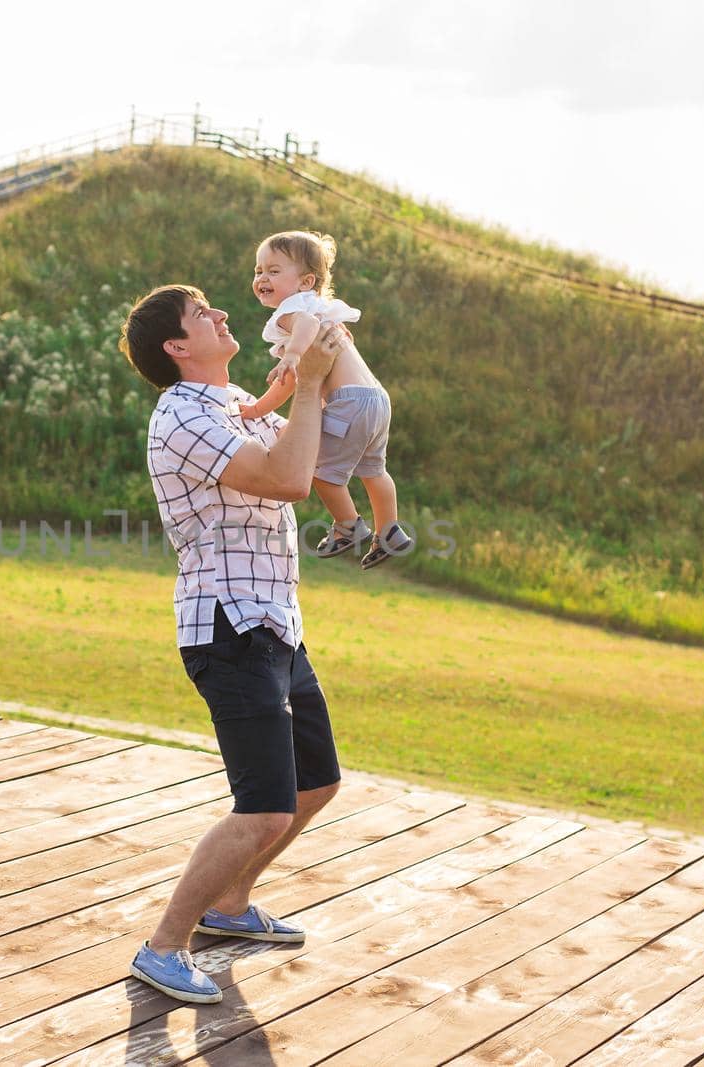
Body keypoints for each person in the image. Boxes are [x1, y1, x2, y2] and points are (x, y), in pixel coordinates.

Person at [117, 283, 348, 1004]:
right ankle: (162, 947)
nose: (221, 315)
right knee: (264, 808)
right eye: (203, 314)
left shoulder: (229, 400)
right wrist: (306, 388)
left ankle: (230, 904)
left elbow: (294, 453)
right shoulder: (180, 415)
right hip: (228, 624)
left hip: (276, 621)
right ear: (178, 347)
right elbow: (287, 480)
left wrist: (303, 387)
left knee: (317, 783)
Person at [238, 230, 412, 568]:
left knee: (319, 471)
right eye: (259, 271)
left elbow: (299, 342)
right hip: (376, 399)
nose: (262, 278)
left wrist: (291, 354)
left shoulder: (294, 312)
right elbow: (294, 381)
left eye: (274, 271)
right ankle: (390, 531)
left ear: (306, 281)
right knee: (375, 471)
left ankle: (348, 526)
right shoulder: (322, 312)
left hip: (348, 401)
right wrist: (259, 407)